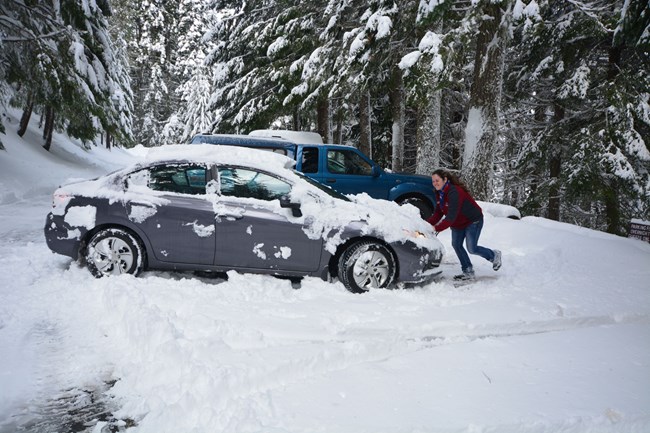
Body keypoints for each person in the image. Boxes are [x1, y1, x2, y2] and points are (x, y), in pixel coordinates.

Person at [427, 169, 502, 281]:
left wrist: (435, 228)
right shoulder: (440, 193)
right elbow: (438, 213)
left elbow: (450, 217)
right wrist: (425, 224)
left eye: (437, 180)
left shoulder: (454, 192)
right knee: (456, 245)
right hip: (458, 223)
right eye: (433, 181)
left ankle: (494, 255)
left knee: (472, 248)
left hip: (472, 220)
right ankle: (468, 271)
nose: (435, 183)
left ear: (445, 179)